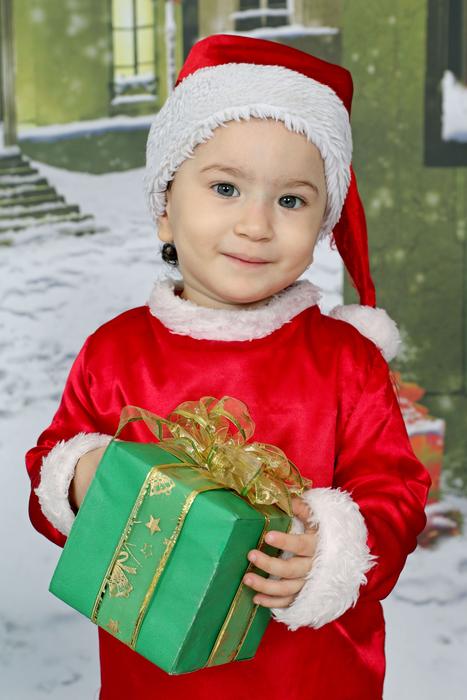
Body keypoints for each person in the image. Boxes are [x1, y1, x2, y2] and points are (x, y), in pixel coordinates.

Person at [25, 34, 431, 699]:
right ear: (164, 208)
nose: (255, 225)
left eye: (291, 201)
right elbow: (50, 469)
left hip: (309, 677)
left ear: (322, 222)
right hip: (151, 674)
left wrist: (331, 551)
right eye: (224, 187)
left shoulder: (344, 362)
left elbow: (396, 492)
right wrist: (78, 478)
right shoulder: (115, 352)